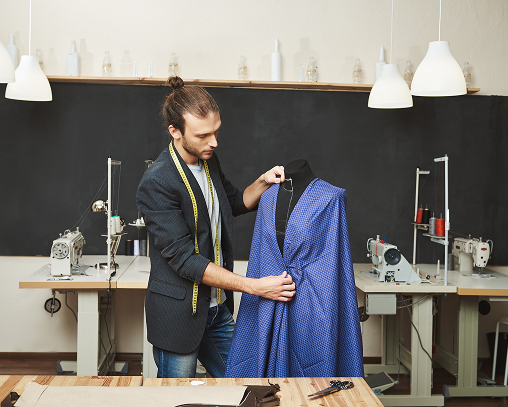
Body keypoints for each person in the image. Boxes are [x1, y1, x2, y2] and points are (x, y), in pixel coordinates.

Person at [136, 76, 296, 379]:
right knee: (175, 398)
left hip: (217, 309)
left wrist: (264, 181)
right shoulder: (157, 182)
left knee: (245, 384)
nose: (214, 142)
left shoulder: (207, 159)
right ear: (175, 131)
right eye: (203, 135)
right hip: (178, 317)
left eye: (216, 131)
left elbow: (234, 201)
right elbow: (186, 260)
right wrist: (255, 286)